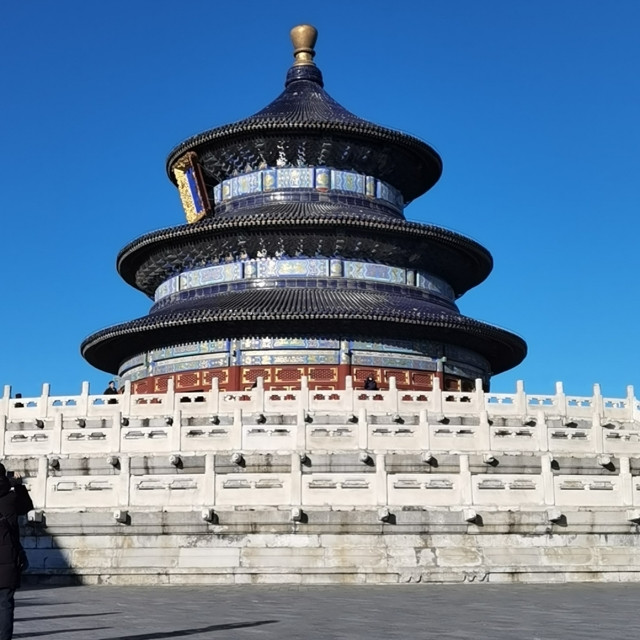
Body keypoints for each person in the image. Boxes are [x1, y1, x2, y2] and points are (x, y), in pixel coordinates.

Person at [0, 464, 33, 640]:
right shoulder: (11, 499)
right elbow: (27, 507)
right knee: (5, 603)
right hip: (8, 557)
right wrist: (19, 485)